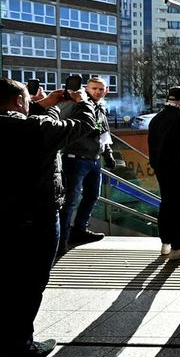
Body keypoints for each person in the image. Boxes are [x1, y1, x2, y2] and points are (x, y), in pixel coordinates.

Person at [0, 78, 96, 357]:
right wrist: (82, 103)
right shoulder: (32, 129)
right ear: (18, 101)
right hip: (33, 220)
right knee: (28, 284)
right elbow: (82, 125)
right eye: (27, 99)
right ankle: (19, 349)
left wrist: (46, 106)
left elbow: (12, 122)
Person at [58, 76, 116, 256]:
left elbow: (104, 134)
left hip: (93, 159)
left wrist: (108, 154)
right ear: (86, 89)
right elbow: (61, 122)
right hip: (74, 158)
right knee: (70, 201)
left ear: (106, 90)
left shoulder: (101, 107)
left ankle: (79, 230)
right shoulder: (77, 104)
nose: (97, 92)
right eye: (94, 88)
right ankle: (61, 240)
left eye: (101, 89)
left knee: (92, 196)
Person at [147, 86, 180, 261]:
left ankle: (165, 243)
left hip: (162, 170)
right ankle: (178, 245)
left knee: (167, 204)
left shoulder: (156, 119)